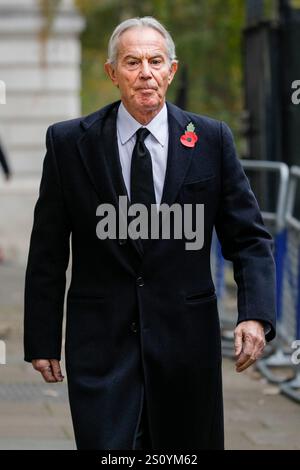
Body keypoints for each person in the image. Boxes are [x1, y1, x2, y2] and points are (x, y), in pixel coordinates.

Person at [24, 17, 276, 450]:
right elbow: (47, 249)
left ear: (171, 70)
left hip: (186, 346)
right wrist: (42, 338)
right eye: (132, 61)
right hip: (100, 346)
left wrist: (255, 314)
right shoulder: (68, 143)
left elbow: (249, 237)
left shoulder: (212, 139)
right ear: (112, 72)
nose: (145, 72)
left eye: (156, 61)